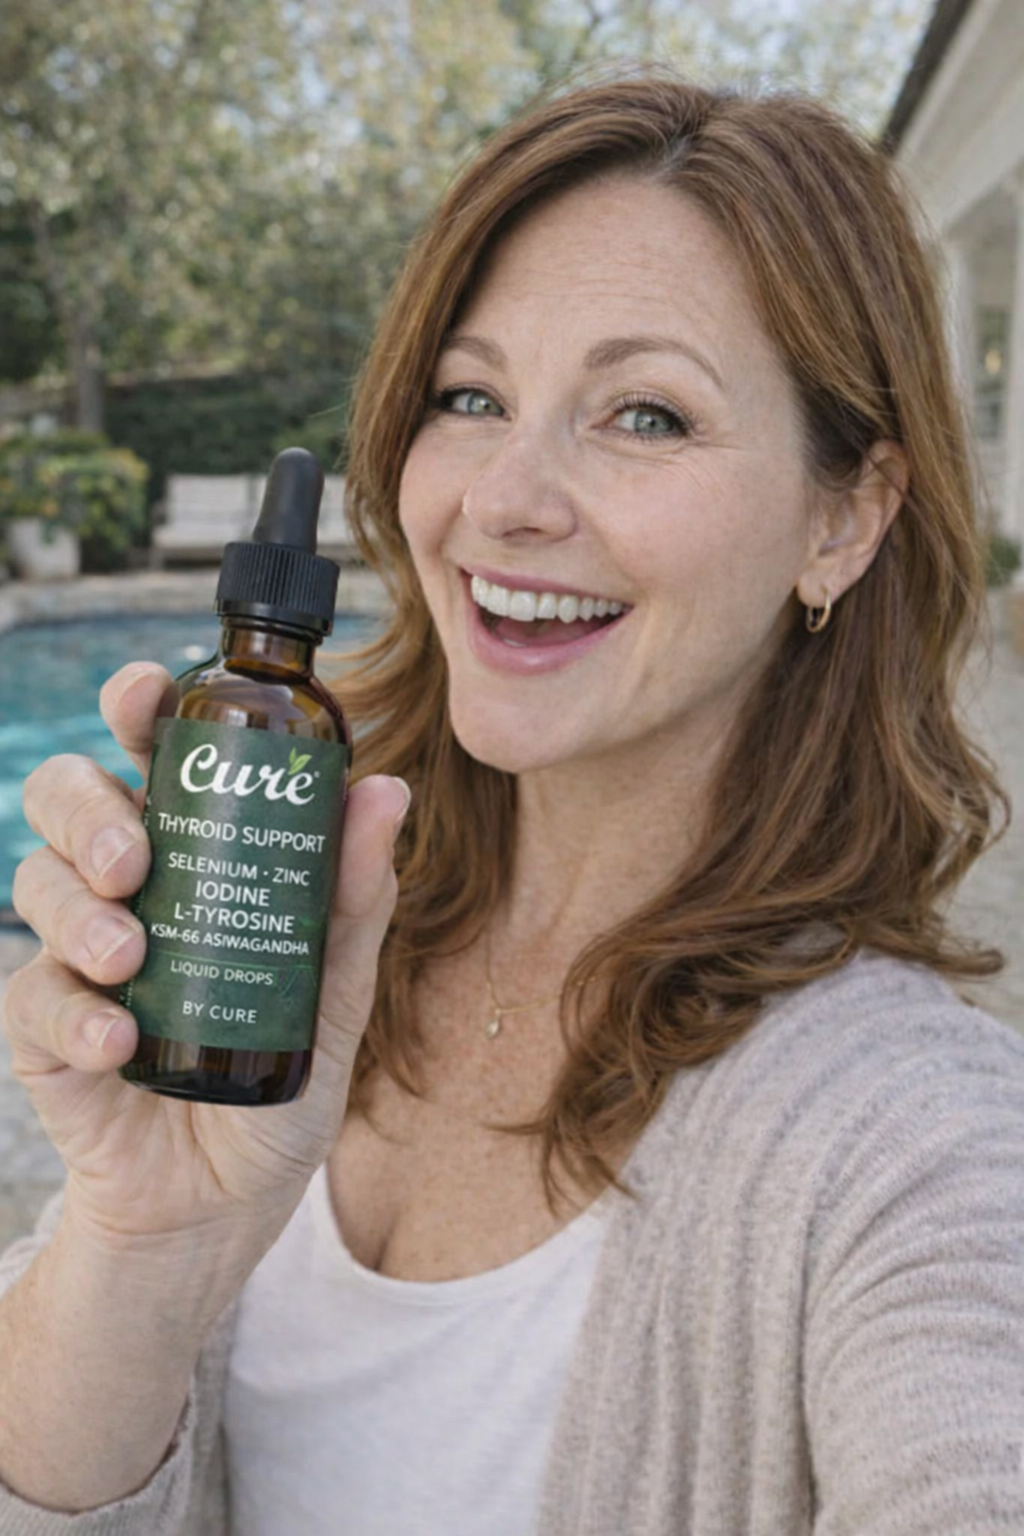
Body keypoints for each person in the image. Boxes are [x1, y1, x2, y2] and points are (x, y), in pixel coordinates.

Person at [1, 60, 1023, 1536]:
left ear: (845, 517)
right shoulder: (294, 938)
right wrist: (139, 1246)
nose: (502, 499)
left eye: (646, 416)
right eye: (470, 396)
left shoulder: (918, 1139)